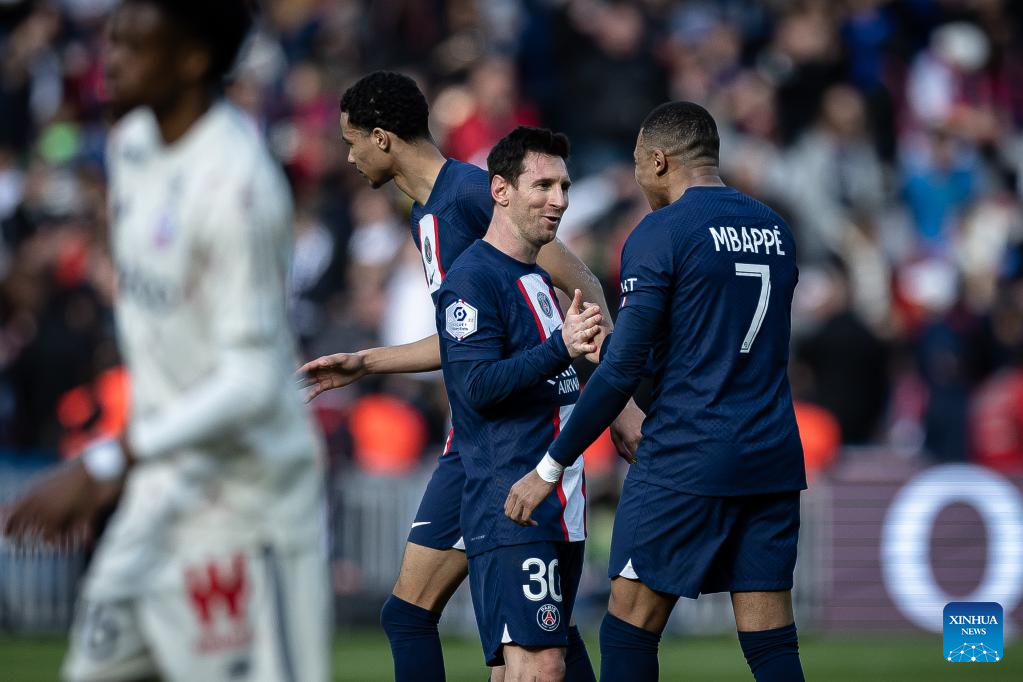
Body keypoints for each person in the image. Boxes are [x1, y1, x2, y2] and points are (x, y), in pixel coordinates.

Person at [2, 2, 330, 681]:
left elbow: (252, 379)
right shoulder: (129, 147)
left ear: (192, 60)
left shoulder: (240, 187)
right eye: (111, 40)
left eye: (134, 45)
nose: (109, 59)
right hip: (160, 490)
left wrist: (104, 462)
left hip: (247, 504)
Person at [299, 71, 639, 682]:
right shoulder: (425, 211)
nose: (347, 156)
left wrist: (616, 406)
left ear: (382, 138)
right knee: (503, 629)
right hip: (481, 432)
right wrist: (367, 361)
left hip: (509, 437)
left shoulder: (473, 195)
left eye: (351, 140)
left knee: (448, 623)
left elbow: (580, 284)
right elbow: (465, 344)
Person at [505, 102, 807, 682]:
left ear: (660, 160)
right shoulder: (776, 227)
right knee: (770, 641)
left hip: (686, 452)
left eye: (640, 164)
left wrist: (549, 468)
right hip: (770, 453)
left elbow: (621, 369)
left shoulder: (662, 232)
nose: (640, 179)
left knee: (628, 630)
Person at [438, 125, 598, 682]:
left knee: (522, 663)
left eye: (565, 186)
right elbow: (475, 386)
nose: (560, 201)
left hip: (556, 503)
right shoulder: (473, 280)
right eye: (544, 185)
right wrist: (562, 347)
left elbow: (549, 384)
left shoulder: (533, 276)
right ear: (500, 190)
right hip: (513, 501)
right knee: (541, 664)